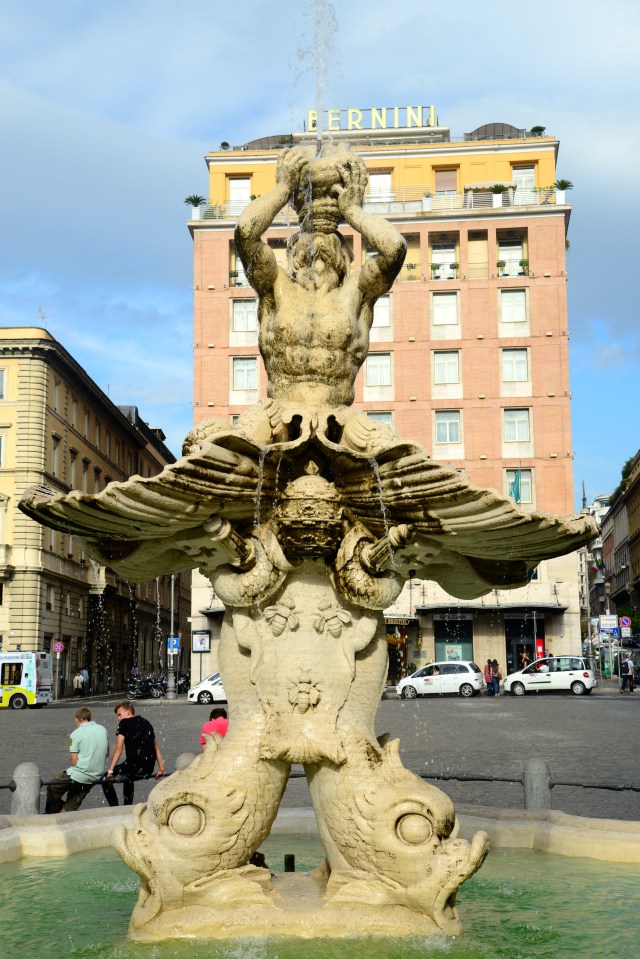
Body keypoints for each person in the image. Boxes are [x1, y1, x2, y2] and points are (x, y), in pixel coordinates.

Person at [234, 146, 405, 417]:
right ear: (292, 252)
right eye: (306, 244)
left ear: (345, 254)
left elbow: (394, 248)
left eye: (329, 244)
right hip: (276, 419)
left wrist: (352, 211)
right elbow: (245, 233)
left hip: (340, 420)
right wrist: (284, 187)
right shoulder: (276, 285)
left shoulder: (357, 291)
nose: (316, 249)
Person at [45, 707, 109, 813]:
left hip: (80, 774)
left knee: (53, 786)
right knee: (73, 802)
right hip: (96, 775)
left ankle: (51, 814)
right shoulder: (103, 729)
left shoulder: (75, 734)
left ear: (77, 719)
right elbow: (107, 753)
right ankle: (63, 814)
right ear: (89, 718)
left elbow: (74, 762)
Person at [102, 701, 165, 806]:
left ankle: (115, 807)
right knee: (127, 771)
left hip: (134, 769)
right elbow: (156, 747)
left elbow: (119, 747)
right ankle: (127, 804)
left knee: (105, 779)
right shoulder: (146, 722)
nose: (118, 718)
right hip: (148, 769)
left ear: (128, 712)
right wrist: (161, 768)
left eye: (119, 714)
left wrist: (110, 770)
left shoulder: (124, 723)